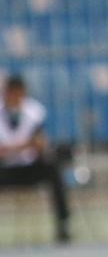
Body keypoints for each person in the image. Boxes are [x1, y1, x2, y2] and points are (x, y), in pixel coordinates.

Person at [0, 75, 71, 243]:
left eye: (19, 93)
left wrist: (14, 148)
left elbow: (39, 143)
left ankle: (63, 225)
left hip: (29, 166)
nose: (15, 97)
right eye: (11, 93)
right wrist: (25, 145)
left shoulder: (34, 111)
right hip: (5, 169)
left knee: (53, 171)